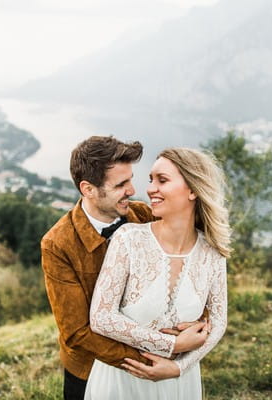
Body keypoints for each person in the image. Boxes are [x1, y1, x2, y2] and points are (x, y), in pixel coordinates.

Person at [41, 137, 208, 400]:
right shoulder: (57, 244)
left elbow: (191, 260)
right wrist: (158, 356)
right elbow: (77, 332)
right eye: (121, 184)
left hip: (157, 367)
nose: (132, 190)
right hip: (90, 371)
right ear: (89, 189)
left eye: (130, 179)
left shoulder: (144, 215)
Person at [84, 147, 231, 400]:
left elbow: (218, 322)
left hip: (178, 385)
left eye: (162, 180)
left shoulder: (213, 252)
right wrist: (172, 345)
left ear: (193, 189)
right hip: (121, 384)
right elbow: (101, 317)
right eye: (151, 180)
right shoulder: (129, 238)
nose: (151, 188)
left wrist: (178, 367)